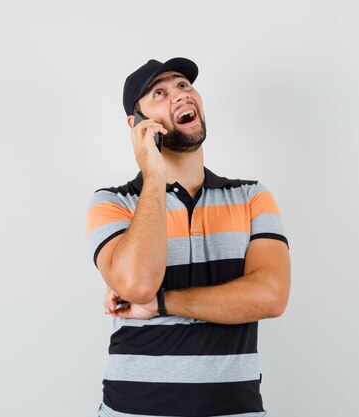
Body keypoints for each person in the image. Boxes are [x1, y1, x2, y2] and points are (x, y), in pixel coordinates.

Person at [85, 57, 291, 417]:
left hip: (234, 409)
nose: (179, 95)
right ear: (137, 125)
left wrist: (161, 305)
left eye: (183, 85)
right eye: (159, 93)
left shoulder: (252, 196)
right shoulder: (114, 203)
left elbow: (270, 297)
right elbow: (136, 284)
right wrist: (154, 176)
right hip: (134, 410)